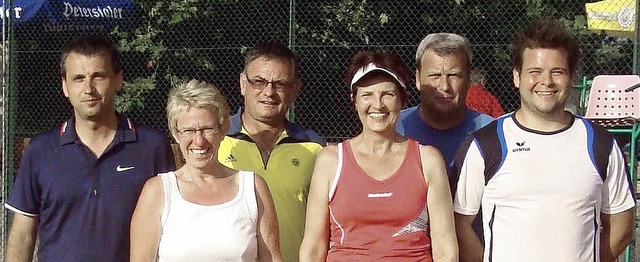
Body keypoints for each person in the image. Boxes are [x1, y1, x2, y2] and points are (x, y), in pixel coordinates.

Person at [452, 19, 635, 262]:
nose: (546, 82)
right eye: (535, 72)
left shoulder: (600, 144)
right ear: (517, 77)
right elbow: (459, 224)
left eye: (557, 72)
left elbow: (621, 221)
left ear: (571, 77)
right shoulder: (486, 144)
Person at [4, 36, 175, 261]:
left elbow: (173, 228)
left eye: (98, 76)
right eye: (78, 78)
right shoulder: (41, 151)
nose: (89, 89)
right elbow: (23, 235)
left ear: (118, 80)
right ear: (65, 86)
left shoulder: (152, 146)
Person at [299, 51, 458, 261]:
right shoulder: (331, 160)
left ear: (402, 100)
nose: (378, 104)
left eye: (387, 94)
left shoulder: (428, 160)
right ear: (354, 101)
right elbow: (312, 248)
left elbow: (445, 249)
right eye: (367, 95)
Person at [130, 79, 281, 261]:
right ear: (175, 133)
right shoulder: (157, 191)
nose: (199, 141)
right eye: (189, 131)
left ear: (224, 128)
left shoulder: (253, 187)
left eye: (207, 129)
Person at [217, 41, 326, 262]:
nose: (269, 92)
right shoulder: (216, 141)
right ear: (242, 83)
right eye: (259, 82)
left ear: (294, 89)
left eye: (280, 84)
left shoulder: (315, 148)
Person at [397, 33, 494, 169]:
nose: (445, 86)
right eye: (435, 75)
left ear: (468, 79)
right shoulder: (395, 129)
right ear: (418, 79)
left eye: (454, 75)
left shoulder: (490, 133)